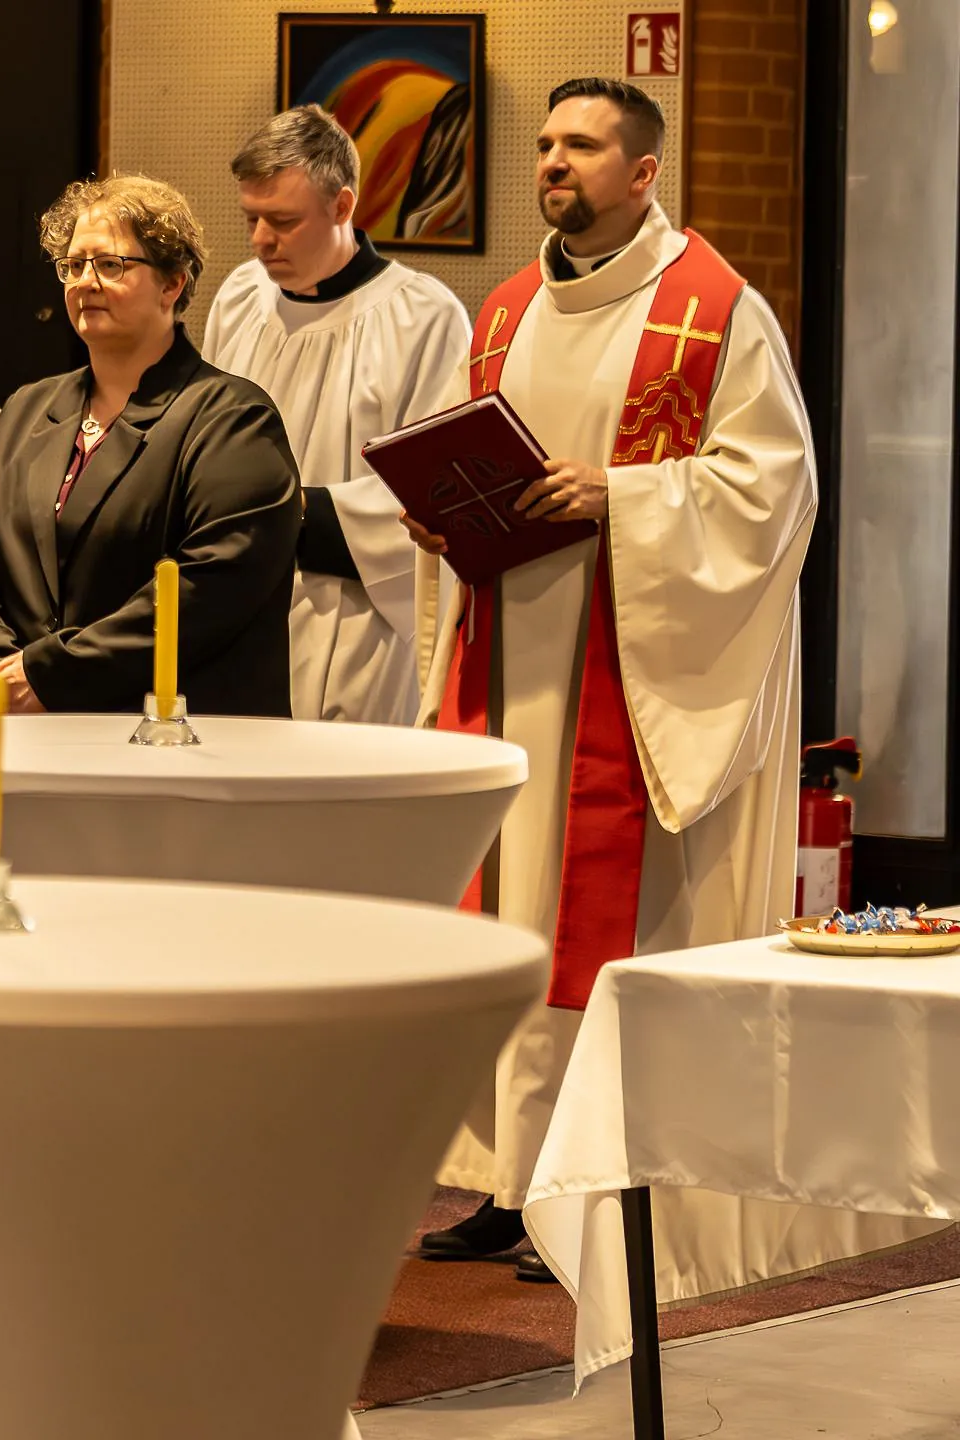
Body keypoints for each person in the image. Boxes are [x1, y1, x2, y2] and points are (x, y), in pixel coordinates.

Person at [404, 79, 815, 1283]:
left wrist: (621, 495)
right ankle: (510, 1178)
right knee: (511, 918)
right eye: (545, 144)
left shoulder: (715, 310)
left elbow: (772, 489)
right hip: (511, 659)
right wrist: (440, 519)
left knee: (603, 928)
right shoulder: (508, 309)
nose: (552, 161)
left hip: (632, 674)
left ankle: (595, 1186)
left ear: (643, 172)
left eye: (581, 146)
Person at [0, 174, 301, 716]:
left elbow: (212, 588)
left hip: (169, 737)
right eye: (73, 265)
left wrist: (49, 676)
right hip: (18, 730)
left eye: (110, 265)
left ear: (172, 284)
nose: (85, 282)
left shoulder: (233, 419)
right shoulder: (27, 409)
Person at [201, 105, 471, 725]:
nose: (260, 240)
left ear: (343, 206)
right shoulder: (240, 298)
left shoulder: (422, 317)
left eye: (283, 221)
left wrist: (291, 515)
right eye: (251, 218)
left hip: (359, 618)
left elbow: (433, 489)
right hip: (240, 610)